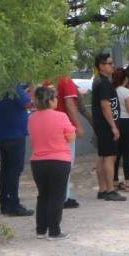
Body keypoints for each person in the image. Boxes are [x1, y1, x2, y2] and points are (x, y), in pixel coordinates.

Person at [27, 86, 76, 239]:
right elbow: (70, 137)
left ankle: (40, 230)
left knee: (43, 196)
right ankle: (54, 231)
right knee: (57, 196)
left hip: (38, 162)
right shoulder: (61, 116)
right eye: (55, 98)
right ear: (50, 100)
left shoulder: (31, 118)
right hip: (59, 161)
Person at [0, 82, 34, 217]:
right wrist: (31, 90)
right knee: (14, 171)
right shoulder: (13, 86)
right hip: (16, 134)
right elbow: (27, 103)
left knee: (5, 170)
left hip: (3, 134)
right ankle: (14, 204)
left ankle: (5, 203)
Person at [90, 52, 126, 201]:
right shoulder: (103, 83)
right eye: (110, 64)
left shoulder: (98, 81)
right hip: (105, 125)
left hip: (101, 125)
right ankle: (110, 190)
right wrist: (113, 126)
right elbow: (105, 106)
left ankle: (103, 189)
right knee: (110, 157)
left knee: (102, 156)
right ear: (101, 66)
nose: (113, 66)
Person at [54, 64, 91, 209]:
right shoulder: (65, 80)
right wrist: (78, 126)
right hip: (64, 128)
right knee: (66, 164)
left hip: (50, 127)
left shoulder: (46, 81)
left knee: (54, 164)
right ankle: (64, 197)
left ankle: (56, 195)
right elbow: (70, 104)